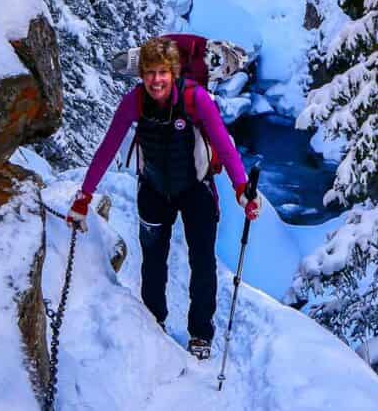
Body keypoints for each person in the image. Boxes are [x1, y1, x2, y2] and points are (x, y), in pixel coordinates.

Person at [66, 37, 261, 360]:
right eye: (149, 74)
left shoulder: (196, 99)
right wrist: (84, 196)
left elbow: (223, 146)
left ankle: (200, 334)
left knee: (202, 261)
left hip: (196, 188)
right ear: (141, 75)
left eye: (162, 73)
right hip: (154, 188)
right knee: (153, 260)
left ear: (173, 73)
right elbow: (107, 148)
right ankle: (152, 321)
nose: (156, 80)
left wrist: (241, 188)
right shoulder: (134, 102)